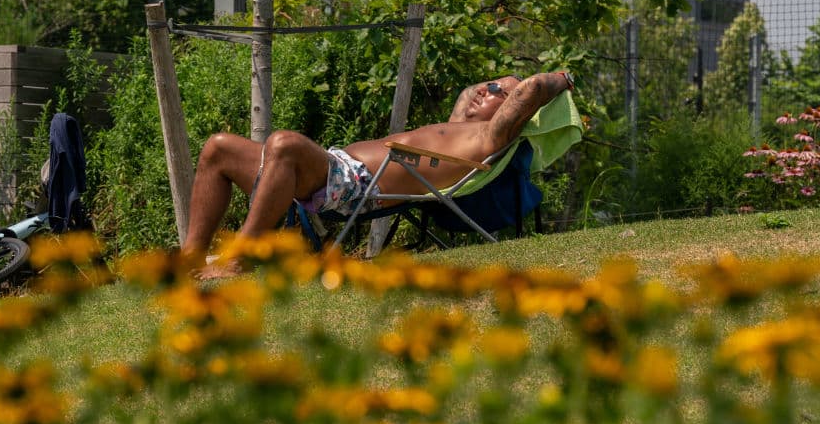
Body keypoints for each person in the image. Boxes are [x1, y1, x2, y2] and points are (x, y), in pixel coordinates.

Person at [183, 71, 574, 275]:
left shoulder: (489, 137)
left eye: (496, 90)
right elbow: (467, 94)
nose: (483, 90)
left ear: (510, 111)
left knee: (284, 143)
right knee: (218, 147)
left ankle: (239, 259)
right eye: (487, 84)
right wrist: (484, 90)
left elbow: (530, 90)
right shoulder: (456, 126)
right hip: (336, 169)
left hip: (359, 187)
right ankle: (190, 261)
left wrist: (562, 78)